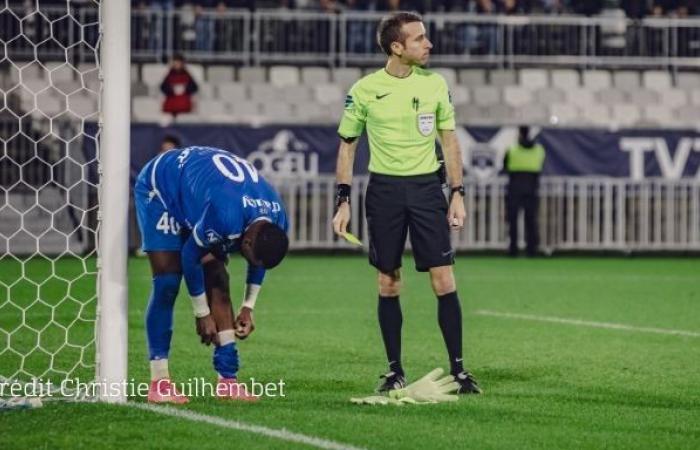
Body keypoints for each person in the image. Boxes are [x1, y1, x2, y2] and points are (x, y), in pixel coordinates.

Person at [331, 11, 481, 395]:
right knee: (388, 281)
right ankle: (394, 370)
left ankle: (460, 371)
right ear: (397, 47)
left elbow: (449, 141)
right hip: (384, 193)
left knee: (444, 278)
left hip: (427, 190)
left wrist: (457, 193)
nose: (428, 44)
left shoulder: (435, 84)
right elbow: (348, 146)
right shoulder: (365, 89)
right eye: (419, 39)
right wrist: (343, 201)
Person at [134, 146, 289, 403]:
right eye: (248, 256)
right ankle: (159, 382)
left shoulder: (278, 220)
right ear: (246, 242)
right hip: (163, 187)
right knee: (168, 280)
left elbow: (260, 262)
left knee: (218, 277)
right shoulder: (226, 216)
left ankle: (227, 381)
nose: (248, 261)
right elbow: (190, 255)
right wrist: (201, 314)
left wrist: (248, 306)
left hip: (202, 195)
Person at [503, 125, 545, 257]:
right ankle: (532, 250)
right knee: (531, 220)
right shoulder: (539, 150)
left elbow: (505, 166)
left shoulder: (512, 150)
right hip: (532, 187)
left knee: (513, 220)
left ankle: (513, 250)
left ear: (520, 134)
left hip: (514, 186)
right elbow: (541, 166)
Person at [160, 54, 199, 119]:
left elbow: (194, 87)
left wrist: (184, 89)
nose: (177, 65)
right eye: (175, 63)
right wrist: (172, 89)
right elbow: (163, 87)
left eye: (179, 63)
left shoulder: (187, 75)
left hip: (184, 104)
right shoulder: (169, 75)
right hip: (171, 105)